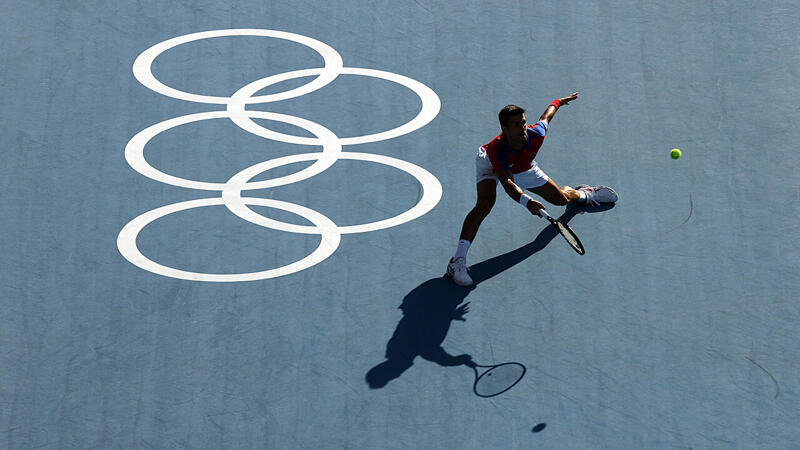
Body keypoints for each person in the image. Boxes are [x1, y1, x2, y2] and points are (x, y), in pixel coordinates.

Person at [446, 92, 617, 286]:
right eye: (516, 125)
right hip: (492, 165)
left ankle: (583, 193)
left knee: (560, 199)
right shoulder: (498, 149)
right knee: (485, 204)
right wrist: (528, 202)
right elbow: (508, 184)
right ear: (504, 129)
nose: (522, 128)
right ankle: (457, 262)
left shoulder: (536, 134)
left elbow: (547, 116)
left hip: (524, 167)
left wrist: (558, 102)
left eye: (523, 122)